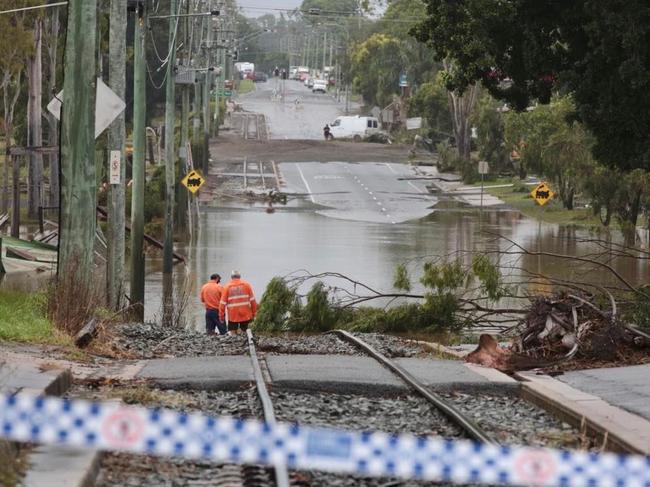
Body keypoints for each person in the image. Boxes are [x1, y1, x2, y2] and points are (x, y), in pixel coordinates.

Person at [219, 270, 257, 335]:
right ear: (240, 276)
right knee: (246, 332)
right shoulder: (246, 285)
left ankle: (234, 342)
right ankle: (246, 340)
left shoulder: (227, 287)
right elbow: (253, 301)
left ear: (231, 277)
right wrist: (254, 313)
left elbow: (222, 304)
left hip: (233, 315)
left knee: (233, 332)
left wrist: (221, 317)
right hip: (246, 314)